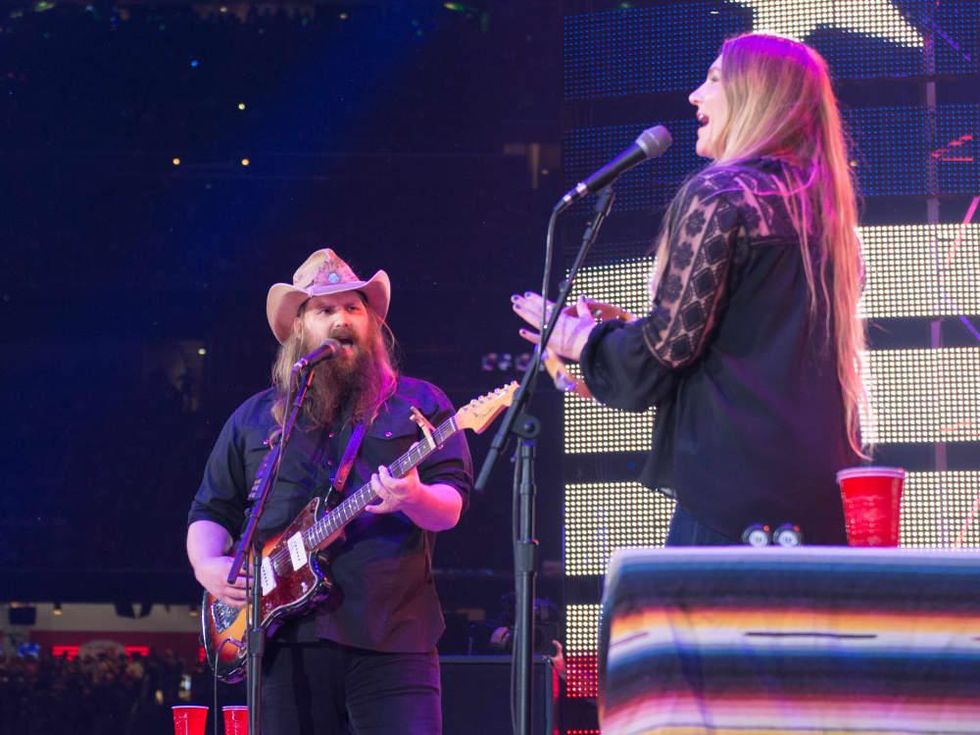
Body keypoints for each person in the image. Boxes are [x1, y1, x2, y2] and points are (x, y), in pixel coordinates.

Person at [512, 33, 866, 546]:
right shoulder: (825, 211)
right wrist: (627, 330)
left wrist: (576, 338)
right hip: (820, 495)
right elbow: (748, 346)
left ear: (756, 96)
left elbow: (665, 353)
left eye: (715, 79)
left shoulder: (720, 193)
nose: (695, 95)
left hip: (731, 503)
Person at [187, 248, 473, 734]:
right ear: (300, 328)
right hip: (282, 642)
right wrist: (208, 566)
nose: (342, 318)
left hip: (393, 638)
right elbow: (211, 508)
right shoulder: (254, 418)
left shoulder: (420, 404)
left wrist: (415, 497)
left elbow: (451, 507)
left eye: (353, 308)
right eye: (325, 309)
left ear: (372, 324)